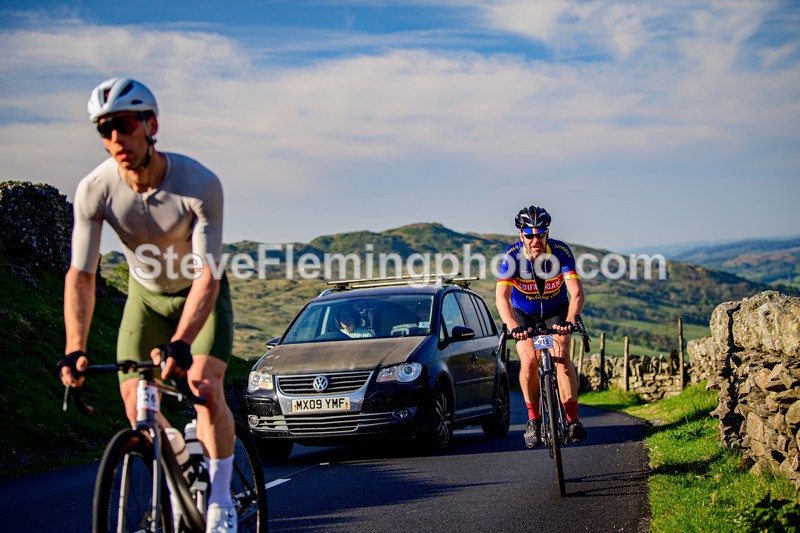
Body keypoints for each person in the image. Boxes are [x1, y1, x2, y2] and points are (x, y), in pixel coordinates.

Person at [56, 78, 238, 532]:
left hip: (200, 294)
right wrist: (75, 348)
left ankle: (220, 501)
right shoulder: (95, 189)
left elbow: (207, 274)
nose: (116, 137)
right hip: (146, 299)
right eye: (105, 128)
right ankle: (180, 461)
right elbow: (82, 274)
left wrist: (182, 342)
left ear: (150, 125)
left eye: (125, 124)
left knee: (203, 385)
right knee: (135, 402)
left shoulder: (198, 183)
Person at [495, 205, 587, 448]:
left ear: (548, 233)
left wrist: (570, 321)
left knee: (561, 356)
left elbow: (576, 293)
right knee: (528, 361)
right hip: (524, 315)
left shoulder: (560, 251)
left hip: (556, 312)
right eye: (529, 235)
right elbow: (501, 299)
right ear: (521, 235)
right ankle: (533, 419)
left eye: (541, 234)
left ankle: (573, 419)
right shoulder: (511, 256)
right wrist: (513, 326)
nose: (535, 240)